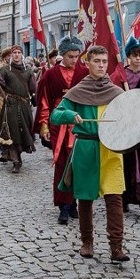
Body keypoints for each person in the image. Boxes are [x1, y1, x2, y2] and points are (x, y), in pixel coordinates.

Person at [51, 45, 129, 262]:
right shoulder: (78, 91)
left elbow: (131, 116)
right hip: (85, 147)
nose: (102, 65)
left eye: (104, 62)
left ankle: (116, 247)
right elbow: (55, 116)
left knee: (114, 198)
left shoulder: (116, 92)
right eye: (97, 61)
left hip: (111, 149)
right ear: (87, 63)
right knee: (85, 198)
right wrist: (70, 114)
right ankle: (87, 242)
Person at [33, 36, 88, 224]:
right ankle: (63, 205)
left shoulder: (84, 72)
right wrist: (44, 124)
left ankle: (74, 203)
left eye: (76, 56)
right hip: (58, 123)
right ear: (63, 55)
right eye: (70, 56)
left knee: (78, 163)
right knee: (63, 163)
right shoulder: (50, 74)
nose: (74, 59)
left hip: (80, 123)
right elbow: (44, 100)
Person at [110, 36, 140, 216]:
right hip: (123, 125)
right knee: (125, 162)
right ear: (128, 56)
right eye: (134, 55)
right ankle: (123, 198)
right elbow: (113, 97)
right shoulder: (120, 75)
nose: (138, 58)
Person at [0, 45, 37, 173]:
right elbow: (0, 85)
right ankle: (15, 160)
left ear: (22, 54)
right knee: (12, 132)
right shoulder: (4, 70)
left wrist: (35, 102)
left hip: (24, 105)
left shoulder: (29, 71)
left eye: (19, 52)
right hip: (11, 105)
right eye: (14, 53)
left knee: (23, 132)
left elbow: (33, 89)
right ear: (11, 55)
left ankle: (18, 155)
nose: (17, 55)